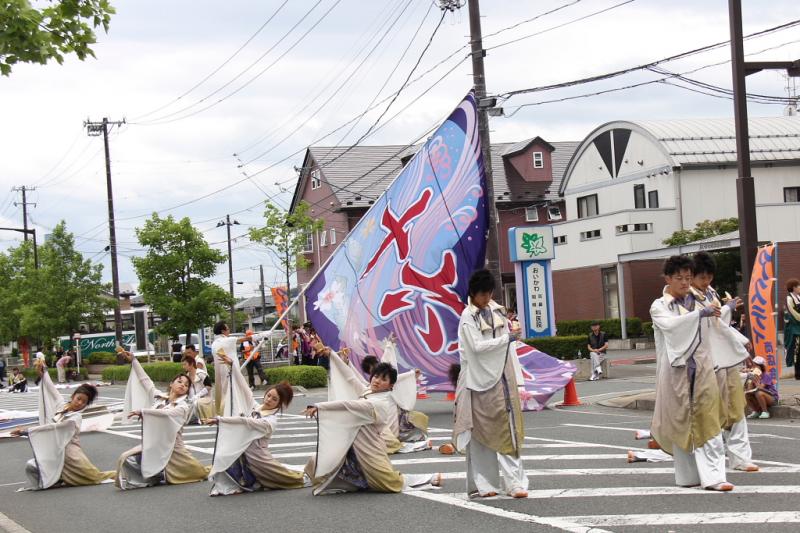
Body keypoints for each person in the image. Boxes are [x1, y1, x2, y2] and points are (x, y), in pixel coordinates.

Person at [650, 255, 733, 491]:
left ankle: (715, 477)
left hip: (704, 368)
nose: (685, 283)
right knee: (681, 422)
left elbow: (717, 328)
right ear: (668, 278)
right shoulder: (659, 306)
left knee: (709, 421)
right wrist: (700, 315)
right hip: (676, 372)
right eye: (680, 278)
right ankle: (688, 476)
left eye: (688, 278)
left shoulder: (699, 302)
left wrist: (724, 313)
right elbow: (671, 327)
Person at [303, 361, 441, 495]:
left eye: (383, 379)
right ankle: (310, 479)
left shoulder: (379, 403)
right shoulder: (368, 392)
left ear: (391, 385)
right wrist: (337, 358)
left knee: (388, 481)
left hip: (369, 449)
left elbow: (348, 405)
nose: (377, 381)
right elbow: (351, 378)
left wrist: (319, 406)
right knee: (317, 460)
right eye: (375, 376)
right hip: (352, 447)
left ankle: (429, 477)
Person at [453, 269, 529, 499]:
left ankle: (515, 483)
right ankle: (484, 485)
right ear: (473, 294)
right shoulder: (467, 316)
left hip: (503, 378)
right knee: (480, 434)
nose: (486, 298)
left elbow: (510, 350)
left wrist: (519, 380)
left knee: (509, 431)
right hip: (477, 381)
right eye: (482, 295)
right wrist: (507, 338)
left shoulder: (498, 311)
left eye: (488, 294)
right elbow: (475, 348)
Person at [690, 252, 758, 472]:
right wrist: (727, 310)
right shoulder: (689, 298)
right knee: (711, 412)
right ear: (691, 276)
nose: (706, 281)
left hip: (724, 359)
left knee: (736, 408)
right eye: (702, 277)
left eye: (709, 276)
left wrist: (741, 341)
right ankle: (713, 464)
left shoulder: (710, 292)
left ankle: (740, 458)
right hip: (706, 362)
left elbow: (721, 326)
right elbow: (705, 326)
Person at [204, 354, 305, 496]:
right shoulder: (256, 407)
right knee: (226, 454)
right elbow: (245, 390)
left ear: (280, 404)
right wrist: (233, 366)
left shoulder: (270, 421)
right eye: (269, 395)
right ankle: (238, 483)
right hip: (244, 453)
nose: (269, 399)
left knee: (293, 480)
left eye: (274, 399)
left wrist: (220, 420)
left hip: (260, 460)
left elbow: (246, 422)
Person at [115, 350, 210, 489]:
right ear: (171, 384)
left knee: (201, 473)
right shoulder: (160, 397)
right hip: (153, 445)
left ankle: (160, 472)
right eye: (179, 381)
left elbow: (168, 415)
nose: (182, 385)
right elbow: (145, 381)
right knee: (124, 458)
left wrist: (144, 412)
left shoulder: (184, 406)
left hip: (174, 450)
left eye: (186, 385)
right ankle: (154, 475)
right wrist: (134, 361)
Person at [12, 364, 114, 489]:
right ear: (73, 396)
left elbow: (53, 429)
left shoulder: (76, 418)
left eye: (84, 402)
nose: (80, 403)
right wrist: (44, 372)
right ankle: (52, 481)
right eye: (78, 399)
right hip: (55, 453)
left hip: (71, 457)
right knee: (30, 465)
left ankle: (127, 472)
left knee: (96, 477)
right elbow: (52, 389)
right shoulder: (62, 405)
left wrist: (24, 431)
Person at [211, 320, 253, 416]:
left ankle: (228, 412)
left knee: (227, 393)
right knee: (236, 391)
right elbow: (245, 339)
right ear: (223, 331)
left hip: (222, 375)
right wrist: (261, 336)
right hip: (231, 371)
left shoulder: (214, 344)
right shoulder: (227, 340)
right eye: (228, 329)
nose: (229, 331)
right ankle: (237, 411)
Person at [181, 353, 215, 422]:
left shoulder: (201, 373)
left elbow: (209, 386)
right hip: (192, 400)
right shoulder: (187, 376)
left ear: (191, 364)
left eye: (185, 364)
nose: (183, 367)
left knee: (196, 403)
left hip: (204, 400)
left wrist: (198, 395)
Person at [784, 278, 800, 379]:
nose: (799, 288)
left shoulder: (798, 297)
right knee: (797, 351)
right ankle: (798, 373)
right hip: (794, 328)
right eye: (798, 286)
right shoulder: (789, 298)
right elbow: (793, 314)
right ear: (793, 288)